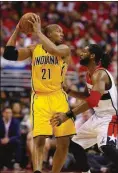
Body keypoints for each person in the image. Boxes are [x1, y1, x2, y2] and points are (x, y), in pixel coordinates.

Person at [3, 14, 76, 173]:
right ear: (49, 34)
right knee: (39, 138)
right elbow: (8, 54)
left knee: (63, 142)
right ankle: (37, 170)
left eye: (62, 31)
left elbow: (53, 49)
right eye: (58, 31)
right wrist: (17, 29)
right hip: (40, 97)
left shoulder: (64, 49)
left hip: (58, 96)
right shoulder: (34, 50)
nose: (62, 34)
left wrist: (37, 32)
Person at [51, 44, 118, 173]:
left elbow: (92, 101)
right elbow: (87, 96)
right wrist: (69, 91)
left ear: (92, 56)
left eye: (84, 51)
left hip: (110, 118)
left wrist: (67, 115)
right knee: (75, 145)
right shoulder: (89, 74)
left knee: (106, 147)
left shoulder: (100, 74)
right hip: (97, 117)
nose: (80, 53)